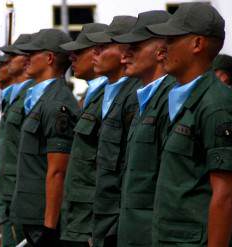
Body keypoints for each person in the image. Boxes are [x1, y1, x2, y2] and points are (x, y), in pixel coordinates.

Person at [147, 2, 232, 246]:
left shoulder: (217, 105)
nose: (162, 49)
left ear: (196, 44)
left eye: (171, 40)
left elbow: (225, 196)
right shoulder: (183, 96)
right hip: (169, 237)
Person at [111, 10, 175, 247]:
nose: (124, 55)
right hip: (132, 230)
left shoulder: (171, 98)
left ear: (160, 51)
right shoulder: (145, 97)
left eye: (135, 47)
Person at [11, 28, 80, 247]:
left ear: (49, 58)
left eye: (32, 55)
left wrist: (50, 227)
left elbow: (58, 170)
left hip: (43, 217)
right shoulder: (40, 98)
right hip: (31, 211)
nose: (25, 60)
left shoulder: (56, 104)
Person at [86, 15, 140, 247]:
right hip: (101, 210)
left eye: (103, 47)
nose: (94, 54)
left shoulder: (134, 96)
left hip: (119, 217)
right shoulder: (109, 92)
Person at [59, 22, 108, 247]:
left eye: (79, 52)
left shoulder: (111, 96)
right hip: (78, 210)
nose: (72, 58)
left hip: (92, 215)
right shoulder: (91, 94)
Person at [0, 34, 35, 247]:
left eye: (13, 56)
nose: (6, 61)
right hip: (6, 184)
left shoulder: (31, 96)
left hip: (18, 187)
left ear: (28, 60)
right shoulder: (13, 95)